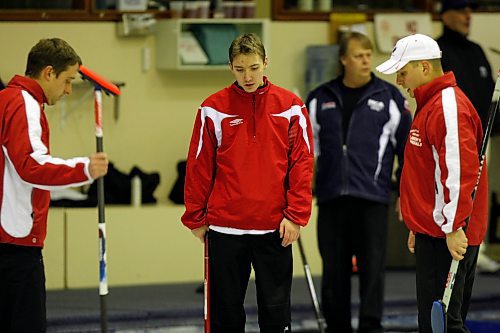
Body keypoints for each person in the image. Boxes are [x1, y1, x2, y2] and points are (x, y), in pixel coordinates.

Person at [181, 33, 314, 332]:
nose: (248, 76)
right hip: (226, 228)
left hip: (275, 228)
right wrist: (195, 217)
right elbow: (199, 165)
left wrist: (296, 215)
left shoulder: (291, 107)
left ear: (266, 63)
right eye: (240, 69)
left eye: (254, 67)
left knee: (276, 314)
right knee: (225, 314)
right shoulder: (212, 108)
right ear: (230, 67)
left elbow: (302, 165)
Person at [377, 33, 488, 333]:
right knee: (434, 323)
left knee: (443, 326)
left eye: (403, 72)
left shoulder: (447, 107)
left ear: (425, 67)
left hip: (448, 235)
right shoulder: (429, 104)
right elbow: (428, 172)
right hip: (435, 231)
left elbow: (458, 171)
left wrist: (451, 228)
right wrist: (419, 225)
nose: (399, 81)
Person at [305, 31, 412, 333]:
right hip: (331, 198)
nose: (366, 61)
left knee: (372, 271)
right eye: (358, 56)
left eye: (368, 55)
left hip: (372, 198)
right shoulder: (318, 99)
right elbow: (303, 153)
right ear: (343, 60)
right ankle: (337, 327)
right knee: (334, 272)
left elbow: (407, 151)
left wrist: (403, 191)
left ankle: (370, 327)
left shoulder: (390, 99)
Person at [0, 38, 109, 333]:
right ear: (49, 72)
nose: (69, 90)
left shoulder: (7, 101)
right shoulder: (24, 104)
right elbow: (31, 166)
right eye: (68, 80)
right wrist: (85, 168)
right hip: (15, 244)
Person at [437, 0, 500, 273]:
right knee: (454, 189)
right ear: (445, 15)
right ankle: (452, 242)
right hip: (453, 138)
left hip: (481, 138)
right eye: (461, 11)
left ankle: (478, 247)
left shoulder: (475, 51)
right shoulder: (439, 50)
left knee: (479, 194)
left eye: (469, 11)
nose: (467, 16)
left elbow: (490, 92)